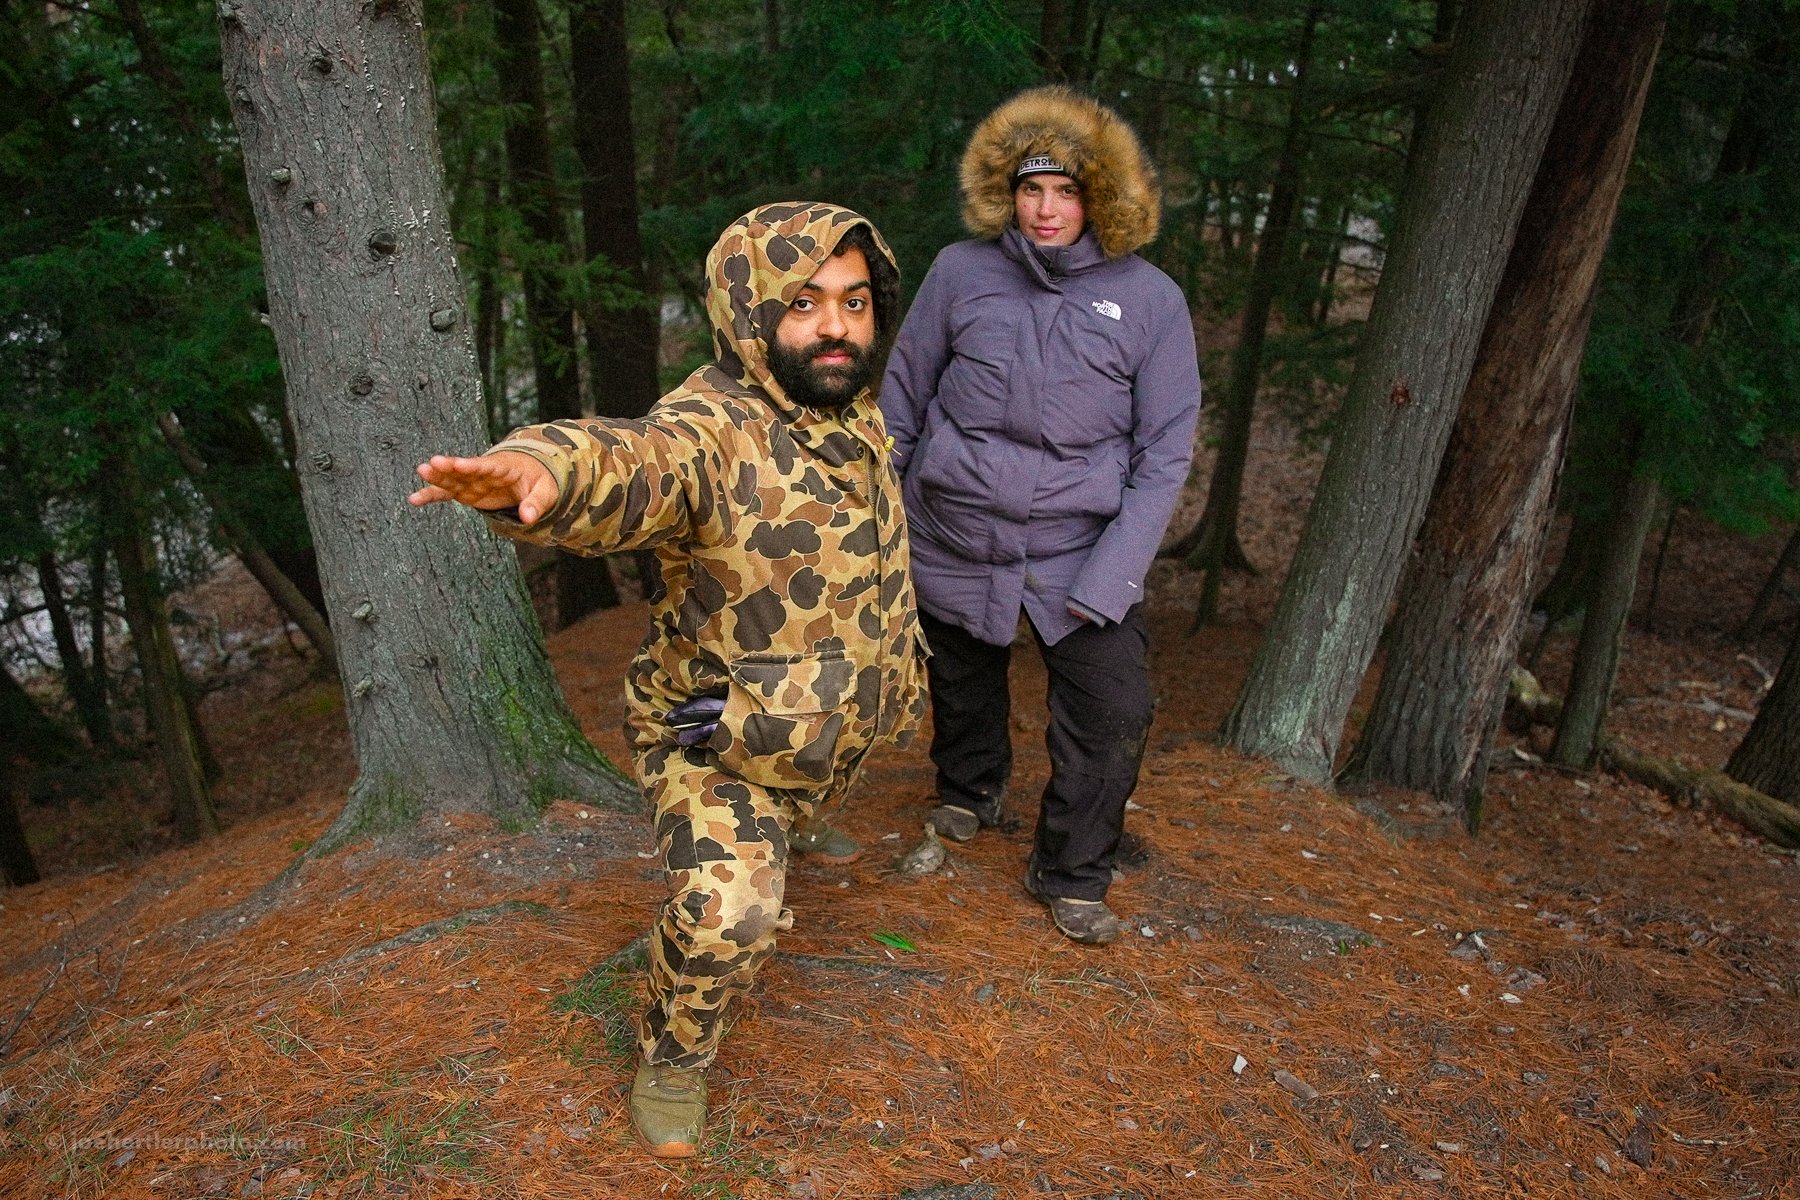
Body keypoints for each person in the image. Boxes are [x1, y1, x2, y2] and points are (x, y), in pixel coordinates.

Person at [409, 202, 925, 1157]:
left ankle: (799, 813)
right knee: (733, 909)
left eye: (855, 302)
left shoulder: (848, 409)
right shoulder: (713, 430)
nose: (837, 327)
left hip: (813, 725)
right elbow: (635, 461)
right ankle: (674, 1058)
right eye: (805, 302)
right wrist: (541, 471)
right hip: (712, 732)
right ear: (750, 310)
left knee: (813, 781)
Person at [880, 86, 1201, 946]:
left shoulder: (1152, 301)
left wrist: (1116, 571)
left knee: (1115, 705)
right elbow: (902, 403)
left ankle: (1072, 868)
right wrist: (878, 523)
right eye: (1031, 189)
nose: (1047, 209)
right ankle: (970, 789)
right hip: (953, 528)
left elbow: (1165, 453)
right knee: (962, 671)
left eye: (1066, 191)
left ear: (1101, 198)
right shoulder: (959, 272)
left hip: (1075, 545)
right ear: (1006, 194)